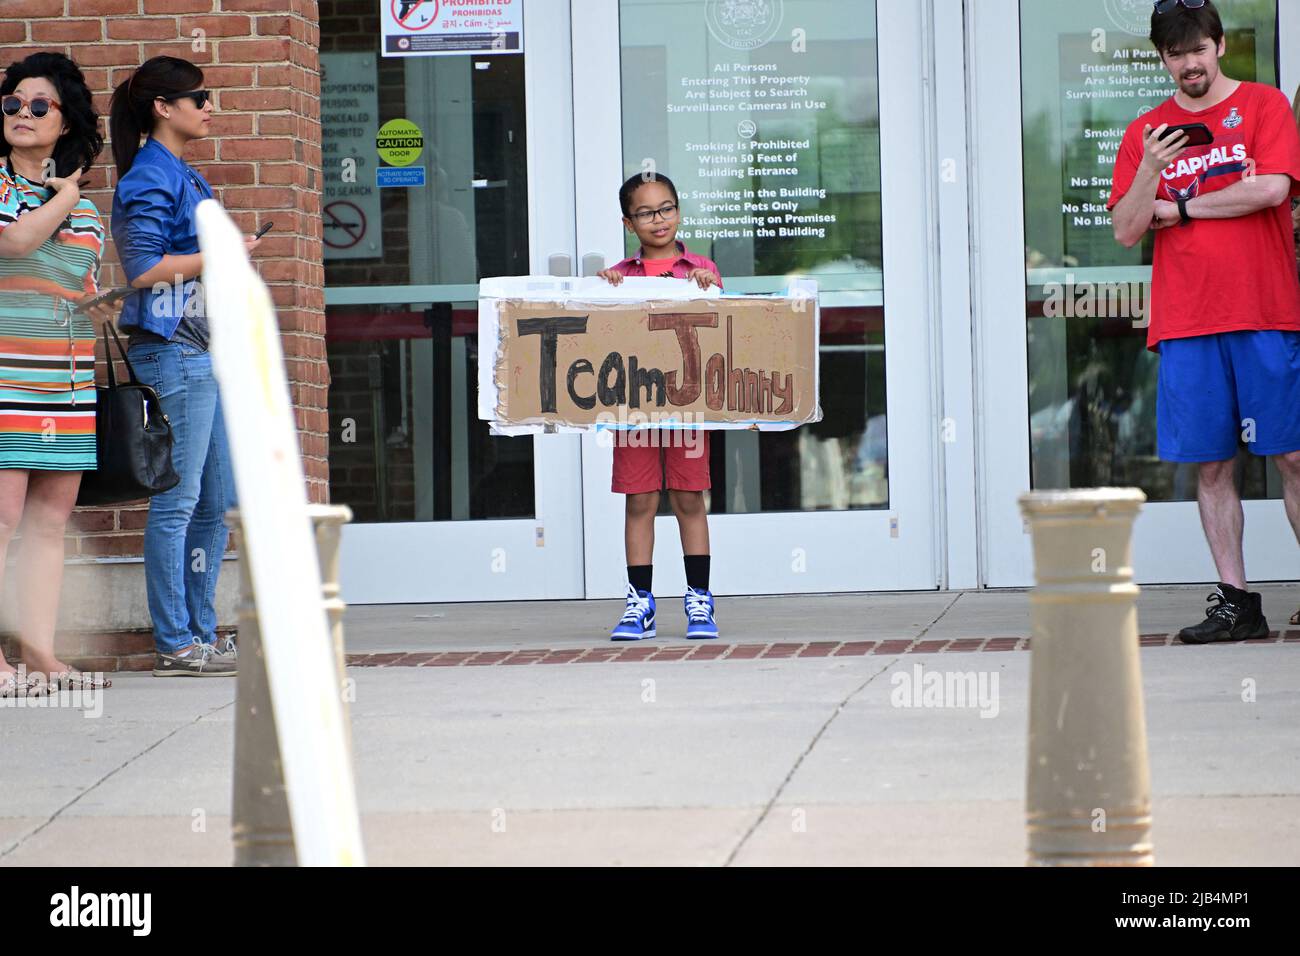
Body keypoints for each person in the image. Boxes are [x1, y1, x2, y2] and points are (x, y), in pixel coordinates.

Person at [1108, 0, 1300, 643]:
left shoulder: (1265, 106)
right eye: (1174, 53)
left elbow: (1271, 190)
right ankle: (1238, 603)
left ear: (1219, 45)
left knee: (1294, 457)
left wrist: (1183, 206)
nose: (1188, 63)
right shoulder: (1146, 133)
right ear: (1161, 58)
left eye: (1197, 48)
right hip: (1187, 322)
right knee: (1213, 467)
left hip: (1265, 310)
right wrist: (1150, 173)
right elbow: (1128, 227)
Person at [109, 56, 262, 677]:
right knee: (179, 501)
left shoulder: (181, 174)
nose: (209, 106)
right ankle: (175, 641)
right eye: (197, 97)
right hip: (173, 353)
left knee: (212, 501)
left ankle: (199, 633)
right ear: (162, 108)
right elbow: (142, 270)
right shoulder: (150, 176)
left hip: (201, 353)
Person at [0, 52, 116, 696]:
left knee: (50, 523)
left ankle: (39, 651)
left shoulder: (90, 217)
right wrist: (65, 193)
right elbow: (14, 245)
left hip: (65, 382)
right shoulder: (10, 190)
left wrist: (102, 307)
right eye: (13, 103)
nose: (21, 113)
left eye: (38, 105)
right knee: (3, 518)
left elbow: (78, 288)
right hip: (4, 375)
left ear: (65, 121)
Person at [597, 172, 721, 641]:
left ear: (679, 211)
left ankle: (699, 600)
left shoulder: (701, 269)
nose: (659, 219)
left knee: (690, 498)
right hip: (635, 409)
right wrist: (602, 292)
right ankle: (639, 603)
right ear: (629, 223)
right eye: (646, 213)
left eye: (666, 208)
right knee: (641, 500)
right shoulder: (621, 275)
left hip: (689, 405)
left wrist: (712, 289)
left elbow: (723, 332)